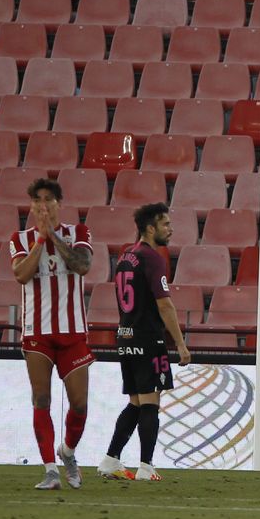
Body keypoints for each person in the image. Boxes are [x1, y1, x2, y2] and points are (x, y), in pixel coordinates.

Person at [8, 178, 94, 491]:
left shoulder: (79, 233)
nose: (42, 205)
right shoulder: (20, 239)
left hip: (73, 331)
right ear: (31, 206)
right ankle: (50, 470)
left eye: (48, 199)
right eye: (37, 200)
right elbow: (21, 274)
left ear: (59, 203)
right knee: (41, 397)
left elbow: (82, 265)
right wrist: (40, 240)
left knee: (80, 404)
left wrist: (52, 236)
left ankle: (67, 452)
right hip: (37, 333)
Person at [100, 203, 191, 482]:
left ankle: (110, 459)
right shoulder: (153, 258)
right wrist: (181, 344)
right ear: (150, 228)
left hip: (125, 336)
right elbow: (164, 305)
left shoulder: (126, 256)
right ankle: (146, 466)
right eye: (165, 224)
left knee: (137, 402)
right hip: (147, 337)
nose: (170, 229)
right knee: (151, 402)